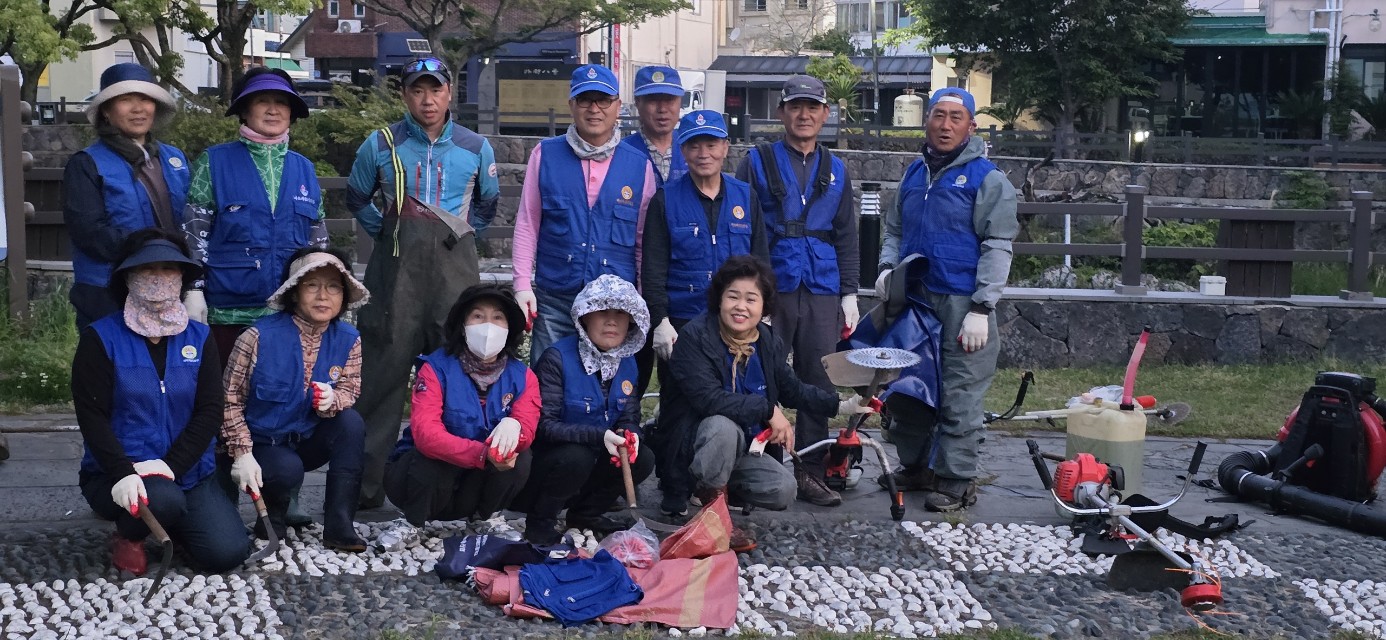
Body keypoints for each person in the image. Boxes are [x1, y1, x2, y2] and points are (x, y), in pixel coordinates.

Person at [347, 57, 501, 509]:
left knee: (459, 377)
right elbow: (357, 197)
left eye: (435, 90)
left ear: (450, 93)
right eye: (418, 90)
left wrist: (457, 234)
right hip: (393, 277)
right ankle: (362, 491)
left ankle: (456, 490)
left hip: (456, 279)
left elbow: (487, 208)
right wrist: (388, 231)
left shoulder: (476, 147)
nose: (427, 99)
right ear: (405, 95)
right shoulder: (381, 144)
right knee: (380, 380)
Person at [661, 256, 872, 551]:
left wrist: (841, 406)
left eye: (751, 299)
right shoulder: (695, 337)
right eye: (732, 296)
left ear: (764, 306)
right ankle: (712, 521)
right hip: (694, 446)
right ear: (719, 299)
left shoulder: (766, 340)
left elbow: (792, 389)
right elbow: (708, 399)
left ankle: (718, 489)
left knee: (783, 490)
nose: (741, 306)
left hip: (744, 448)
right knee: (722, 426)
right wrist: (768, 410)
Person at [72, 229, 248, 575]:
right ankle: (129, 536)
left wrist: (173, 466)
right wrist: (122, 471)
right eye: (147, 269)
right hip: (121, 474)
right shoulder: (100, 338)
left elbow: (210, 410)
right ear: (126, 277)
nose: (159, 278)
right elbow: (92, 416)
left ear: (182, 277)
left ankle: (174, 521)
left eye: (169, 269)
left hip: (186, 472)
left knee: (227, 552)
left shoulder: (199, 337)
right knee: (163, 499)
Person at [876, 87, 1018, 512]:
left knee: (960, 394)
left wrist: (982, 306)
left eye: (956, 117)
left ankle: (956, 479)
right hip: (915, 303)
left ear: (971, 126)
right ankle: (917, 467)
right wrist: (887, 268)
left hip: (962, 306)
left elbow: (998, 244)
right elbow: (894, 229)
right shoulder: (913, 175)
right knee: (910, 389)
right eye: (939, 115)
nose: (945, 124)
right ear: (927, 121)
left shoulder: (987, 179)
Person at [735, 75, 860, 507]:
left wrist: (849, 292)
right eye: (795, 106)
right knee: (760, 372)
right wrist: (750, 291)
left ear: (826, 114)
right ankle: (760, 468)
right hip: (772, 285)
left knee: (818, 378)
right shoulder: (756, 161)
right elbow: (742, 224)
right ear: (781, 112)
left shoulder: (838, 169)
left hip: (822, 286)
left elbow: (846, 233)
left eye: (813, 107)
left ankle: (812, 468)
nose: (804, 115)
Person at [641, 109, 768, 516]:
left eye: (712, 144)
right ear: (684, 151)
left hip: (735, 323)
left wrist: (761, 314)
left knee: (736, 399)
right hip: (683, 323)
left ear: (726, 148)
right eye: (694, 145)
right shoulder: (666, 199)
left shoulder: (745, 196)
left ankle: (729, 483)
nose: (703, 153)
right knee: (680, 405)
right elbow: (654, 266)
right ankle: (675, 489)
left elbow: (760, 260)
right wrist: (659, 319)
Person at [219, 248, 370, 551]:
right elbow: (229, 400)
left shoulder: (349, 338)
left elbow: (350, 389)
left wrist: (333, 399)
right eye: (312, 285)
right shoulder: (258, 336)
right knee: (286, 469)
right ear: (293, 292)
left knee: (351, 424)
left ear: (344, 295)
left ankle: (340, 525)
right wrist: (241, 452)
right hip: (263, 445)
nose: (323, 295)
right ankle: (271, 518)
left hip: (308, 437)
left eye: (333, 286)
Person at [181, 66, 328, 365]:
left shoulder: (305, 169)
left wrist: (318, 296)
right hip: (227, 312)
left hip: (290, 314)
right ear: (245, 110)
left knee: (280, 398)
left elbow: (318, 241)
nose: (273, 110)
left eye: (282, 102)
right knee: (226, 399)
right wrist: (193, 289)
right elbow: (194, 231)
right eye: (263, 101)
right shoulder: (215, 161)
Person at [511, 64, 657, 362]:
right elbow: (528, 224)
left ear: (617, 106)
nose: (594, 109)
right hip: (556, 297)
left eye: (603, 100)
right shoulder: (545, 155)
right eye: (584, 100)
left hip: (614, 304)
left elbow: (644, 239)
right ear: (571, 106)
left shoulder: (639, 165)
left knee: (607, 392)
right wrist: (522, 285)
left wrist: (642, 296)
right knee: (549, 380)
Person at [384, 284, 540, 526]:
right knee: (431, 456)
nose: (488, 326)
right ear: (463, 325)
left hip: (474, 485)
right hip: (423, 481)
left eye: (498, 317)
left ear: (510, 329)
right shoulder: (436, 369)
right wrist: (482, 453)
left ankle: (484, 518)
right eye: (478, 316)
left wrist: (515, 427)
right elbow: (427, 434)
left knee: (521, 457)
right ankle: (412, 523)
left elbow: (528, 425)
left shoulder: (523, 377)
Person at [517, 275, 654, 544]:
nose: (612, 321)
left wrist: (631, 434)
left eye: (620, 314)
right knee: (575, 456)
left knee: (644, 457)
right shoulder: (556, 358)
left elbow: (629, 415)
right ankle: (540, 521)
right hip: (549, 465)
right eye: (602, 312)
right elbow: (543, 426)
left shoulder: (628, 363)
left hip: (594, 461)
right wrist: (597, 436)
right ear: (584, 318)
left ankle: (585, 514)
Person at [64, 63, 190, 332]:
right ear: (107, 112)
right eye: (125, 100)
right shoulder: (87, 163)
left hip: (167, 284)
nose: (138, 108)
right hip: (106, 288)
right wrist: (151, 247)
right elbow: (89, 234)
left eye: (145, 98)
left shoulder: (174, 158)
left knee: (164, 368)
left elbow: (191, 221)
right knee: (107, 367)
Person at [619, 64, 686, 401]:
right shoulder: (622, 152)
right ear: (637, 105)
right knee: (634, 369)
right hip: (633, 273)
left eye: (669, 100)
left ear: (680, 103)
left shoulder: (693, 150)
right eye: (652, 101)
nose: (662, 109)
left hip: (682, 277)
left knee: (682, 375)